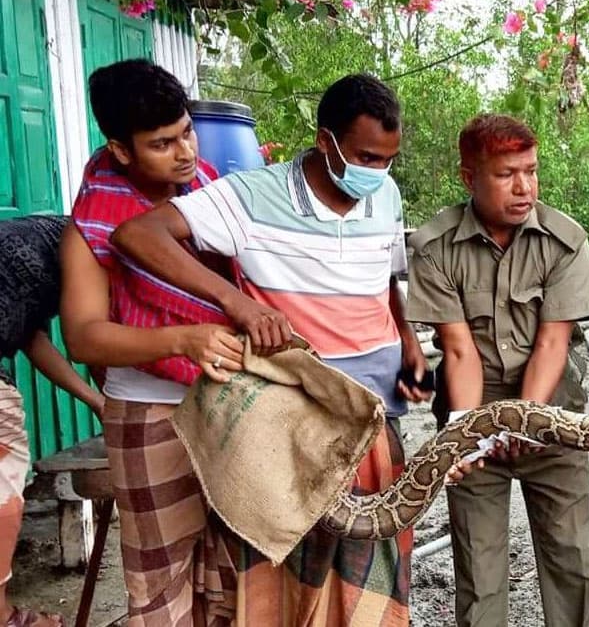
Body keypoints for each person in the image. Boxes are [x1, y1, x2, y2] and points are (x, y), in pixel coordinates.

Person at [112, 73, 430, 625]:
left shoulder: (386, 195)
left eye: (387, 160)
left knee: (370, 584)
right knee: (287, 579)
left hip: (376, 418)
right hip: (295, 429)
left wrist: (407, 343)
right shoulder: (251, 196)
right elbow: (137, 236)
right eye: (365, 158)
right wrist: (239, 305)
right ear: (325, 141)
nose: (377, 173)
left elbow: (386, 280)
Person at [406, 113, 589, 627]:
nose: (524, 187)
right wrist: (469, 435)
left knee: (572, 559)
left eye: (532, 171)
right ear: (469, 177)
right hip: (471, 408)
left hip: (553, 415)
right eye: (505, 174)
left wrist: (524, 419)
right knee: (479, 567)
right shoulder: (434, 246)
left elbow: (552, 342)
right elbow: (458, 351)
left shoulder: (566, 241)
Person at [60, 59, 243, 625]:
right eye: (162, 143)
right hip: (148, 411)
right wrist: (181, 339)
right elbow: (84, 338)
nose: (185, 152)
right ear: (120, 149)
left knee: (234, 566)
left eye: (186, 132)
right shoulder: (91, 227)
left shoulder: (209, 191)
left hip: (227, 399)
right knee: (160, 576)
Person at [0, 216, 105, 627]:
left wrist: (95, 401)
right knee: (3, 483)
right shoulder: (92, 253)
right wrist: (110, 397)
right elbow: (93, 341)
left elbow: (33, 340)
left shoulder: (43, 243)